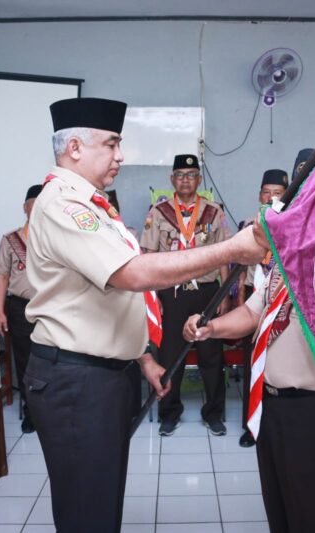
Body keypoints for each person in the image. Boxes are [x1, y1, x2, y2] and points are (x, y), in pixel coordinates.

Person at [24, 97, 268, 533]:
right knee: (87, 511)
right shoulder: (64, 204)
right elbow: (133, 274)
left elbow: (102, 300)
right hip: (78, 380)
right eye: (113, 144)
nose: (121, 155)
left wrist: (143, 358)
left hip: (104, 373)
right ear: (75, 147)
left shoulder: (93, 204)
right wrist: (233, 249)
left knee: (101, 500)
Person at [184, 267, 315, 533]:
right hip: (270, 404)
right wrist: (211, 328)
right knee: (280, 507)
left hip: (313, 409)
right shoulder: (283, 262)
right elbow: (253, 312)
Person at [139, 154, 232, 437]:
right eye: (180, 175)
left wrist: (225, 294)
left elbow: (225, 256)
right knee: (170, 355)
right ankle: (170, 413)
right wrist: (152, 298)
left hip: (206, 292)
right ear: (172, 180)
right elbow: (148, 257)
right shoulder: (159, 213)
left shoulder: (214, 212)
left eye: (191, 174)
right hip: (171, 293)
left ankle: (214, 413)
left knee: (211, 356)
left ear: (199, 179)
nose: (185, 180)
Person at [234, 168, 289, 448]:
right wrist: (240, 301)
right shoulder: (249, 225)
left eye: (277, 193)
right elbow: (240, 270)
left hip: (284, 310)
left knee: (276, 367)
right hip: (255, 305)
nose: (270, 197)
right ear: (259, 195)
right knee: (251, 365)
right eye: (266, 192)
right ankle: (250, 426)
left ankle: (271, 422)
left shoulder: (292, 224)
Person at [0, 184, 42, 434]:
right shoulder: (11, 239)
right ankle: (31, 413)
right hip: (20, 308)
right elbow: (1, 276)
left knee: (53, 361)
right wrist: (0, 312)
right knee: (25, 361)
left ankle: (50, 412)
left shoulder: (57, 237)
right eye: (34, 204)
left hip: (52, 308)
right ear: (25, 207)